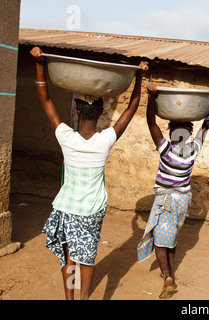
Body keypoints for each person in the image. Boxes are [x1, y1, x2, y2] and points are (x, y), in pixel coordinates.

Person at [30, 46, 149, 300]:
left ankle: (70, 299)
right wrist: (139, 75)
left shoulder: (66, 137)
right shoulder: (105, 140)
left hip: (67, 207)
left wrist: (40, 64)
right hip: (91, 211)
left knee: (70, 257)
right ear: (101, 113)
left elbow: (46, 100)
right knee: (87, 257)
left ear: (76, 111)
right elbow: (132, 107)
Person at [137, 83, 209, 299]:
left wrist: (151, 98)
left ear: (172, 133)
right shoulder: (193, 150)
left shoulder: (166, 151)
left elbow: (151, 123)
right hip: (182, 201)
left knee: (159, 238)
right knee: (171, 236)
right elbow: (207, 125)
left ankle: (167, 275)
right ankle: (170, 275)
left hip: (166, 200)